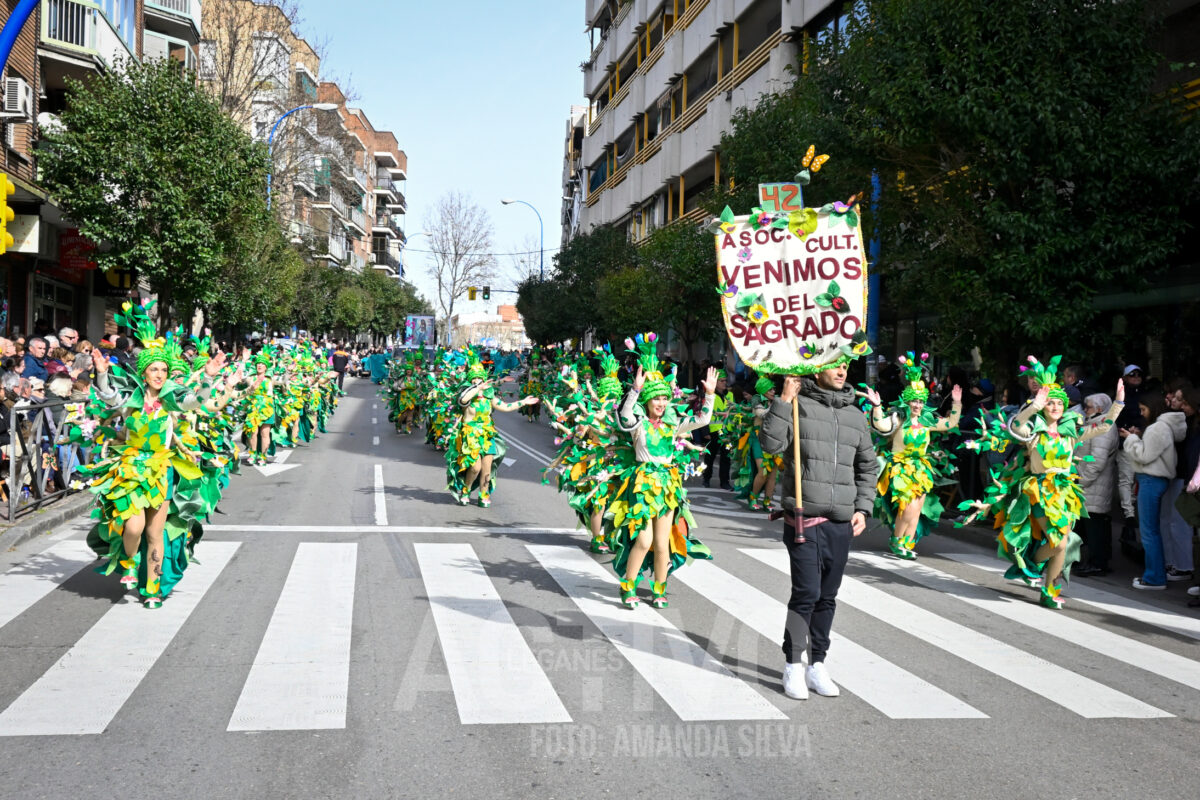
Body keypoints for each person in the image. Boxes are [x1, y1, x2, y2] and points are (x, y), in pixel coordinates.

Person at [960, 356, 1124, 609]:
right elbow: (1016, 426)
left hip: (1064, 491)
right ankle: (1033, 563)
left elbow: (1103, 426)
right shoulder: (1034, 432)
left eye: (1060, 403)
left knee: (1064, 543)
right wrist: (1033, 406)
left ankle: (1050, 590)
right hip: (1038, 491)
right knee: (1058, 541)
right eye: (1051, 403)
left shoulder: (1071, 430)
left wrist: (1118, 403)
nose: (1056, 407)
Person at [760, 360, 876, 701]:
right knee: (807, 592)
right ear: (816, 370)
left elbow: (868, 465)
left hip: (841, 521)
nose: (842, 372)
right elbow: (770, 445)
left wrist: (863, 508)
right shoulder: (797, 405)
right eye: (834, 366)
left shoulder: (856, 415)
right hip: (803, 518)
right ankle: (793, 664)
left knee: (827, 596)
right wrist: (783, 399)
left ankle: (818, 664)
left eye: (845, 367)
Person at [609, 333, 716, 609]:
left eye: (664, 399)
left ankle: (659, 588)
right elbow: (624, 417)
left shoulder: (672, 426)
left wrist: (711, 394)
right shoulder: (639, 424)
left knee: (661, 543)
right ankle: (628, 585)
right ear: (647, 401)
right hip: (643, 485)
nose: (661, 403)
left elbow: (703, 418)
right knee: (643, 540)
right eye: (656, 399)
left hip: (668, 486)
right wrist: (634, 390)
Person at [866, 353, 962, 559]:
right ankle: (896, 540)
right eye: (914, 401)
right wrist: (876, 407)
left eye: (920, 401)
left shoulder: (926, 421)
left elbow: (949, 424)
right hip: (900, 468)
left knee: (917, 508)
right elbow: (881, 426)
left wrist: (957, 404)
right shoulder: (898, 418)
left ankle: (906, 544)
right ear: (907, 402)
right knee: (907, 507)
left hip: (920, 469)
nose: (917, 405)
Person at [1120, 390, 1187, 589]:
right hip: (1154, 479)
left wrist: (1131, 439)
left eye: (1143, 409)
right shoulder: (1163, 427)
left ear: (1153, 407)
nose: (1141, 413)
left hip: (1151, 479)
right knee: (1152, 530)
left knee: (1149, 532)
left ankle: (1155, 578)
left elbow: (1143, 456)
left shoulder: (1159, 427)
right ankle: (1155, 574)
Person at [1073, 393, 1121, 576]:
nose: (1085, 410)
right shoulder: (1096, 423)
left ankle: (1098, 563)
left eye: (1089, 407)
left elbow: (1097, 460)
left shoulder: (1104, 426)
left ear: (1100, 409)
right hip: (1090, 485)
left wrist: (1082, 480)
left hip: (1093, 485)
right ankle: (1091, 561)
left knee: (1095, 527)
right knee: (1090, 526)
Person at [702, 370, 732, 489]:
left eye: (725, 381)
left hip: (727, 432)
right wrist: (705, 431)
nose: (724, 383)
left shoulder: (730, 395)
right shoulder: (710, 395)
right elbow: (703, 413)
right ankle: (706, 478)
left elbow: (734, 412)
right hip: (713, 431)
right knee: (710, 456)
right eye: (722, 381)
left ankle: (725, 482)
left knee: (726, 456)